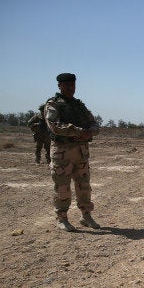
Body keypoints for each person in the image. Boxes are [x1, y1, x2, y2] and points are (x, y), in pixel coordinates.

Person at [45, 73, 101, 232]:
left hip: (81, 152)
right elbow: (54, 126)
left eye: (72, 85)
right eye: (67, 85)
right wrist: (78, 132)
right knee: (62, 186)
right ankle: (61, 218)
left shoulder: (79, 106)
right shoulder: (53, 105)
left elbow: (95, 125)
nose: (70, 88)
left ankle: (86, 215)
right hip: (62, 153)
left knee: (84, 185)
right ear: (59, 86)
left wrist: (89, 132)